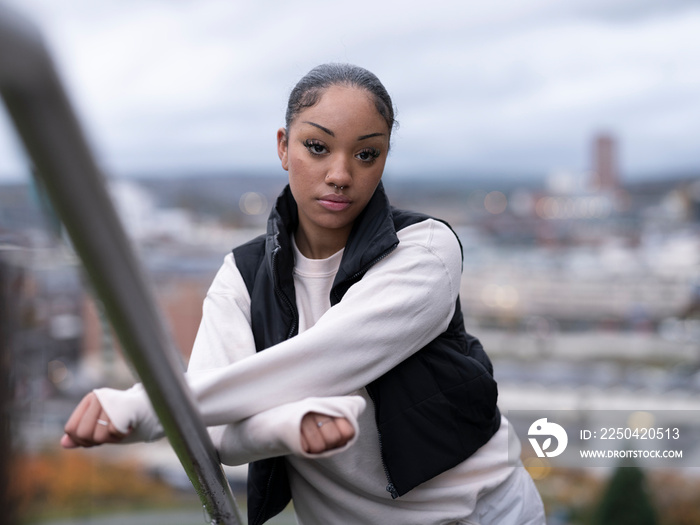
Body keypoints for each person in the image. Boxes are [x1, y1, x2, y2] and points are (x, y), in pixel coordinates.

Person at [62, 63, 545, 524]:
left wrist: (146, 406)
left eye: (366, 154)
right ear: (282, 146)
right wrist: (291, 424)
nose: (340, 174)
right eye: (317, 147)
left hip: (482, 514)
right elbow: (218, 433)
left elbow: (323, 360)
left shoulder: (425, 251)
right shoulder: (242, 276)